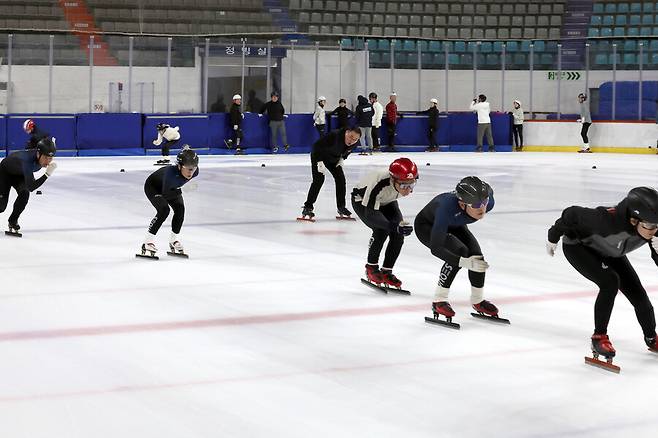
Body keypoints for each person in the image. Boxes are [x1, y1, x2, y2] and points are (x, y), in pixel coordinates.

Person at [546, 187, 658, 361]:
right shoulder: (605, 222)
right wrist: (553, 236)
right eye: (650, 225)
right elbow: (571, 214)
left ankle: (651, 338)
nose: (654, 230)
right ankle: (599, 337)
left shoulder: (652, 227)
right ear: (633, 220)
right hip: (579, 247)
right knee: (610, 282)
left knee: (638, 293)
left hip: (610, 251)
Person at [414, 176, 499, 321]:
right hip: (428, 226)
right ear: (461, 205)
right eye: (477, 205)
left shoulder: (488, 201)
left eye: (484, 202)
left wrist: (470, 262)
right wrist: (463, 262)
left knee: (477, 256)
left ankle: (477, 300)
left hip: (455, 223)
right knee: (459, 252)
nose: (483, 208)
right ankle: (439, 300)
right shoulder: (445, 209)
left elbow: (485, 196)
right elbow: (436, 248)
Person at [352, 158, 418, 289]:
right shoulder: (379, 184)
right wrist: (392, 226)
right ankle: (371, 267)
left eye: (412, 185)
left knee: (399, 234)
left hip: (387, 201)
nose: (408, 190)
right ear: (393, 180)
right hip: (363, 201)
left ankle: (387, 271)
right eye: (404, 186)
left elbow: (404, 185)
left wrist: (396, 227)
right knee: (381, 230)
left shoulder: (406, 179)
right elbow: (370, 215)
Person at [140, 146, 199, 258]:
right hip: (154, 187)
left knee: (180, 210)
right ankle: (147, 242)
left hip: (172, 187)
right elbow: (166, 194)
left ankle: (173, 240)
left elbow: (174, 190)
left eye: (194, 168)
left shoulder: (195, 172)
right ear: (179, 166)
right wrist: (183, 189)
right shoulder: (170, 174)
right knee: (164, 210)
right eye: (188, 168)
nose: (191, 172)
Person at [301, 127, 361, 220]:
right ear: (347, 132)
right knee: (319, 180)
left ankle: (341, 207)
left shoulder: (354, 143)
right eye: (350, 137)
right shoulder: (334, 136)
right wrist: (319, 162)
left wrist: (342, 158)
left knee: (341, 179)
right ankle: (308, 207)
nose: (352, 140)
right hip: (318, 156)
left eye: (355, 139)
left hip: (333, 159)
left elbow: (347, 151)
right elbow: (316, 146)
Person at [0, 137, 57, 234]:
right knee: (1, 207)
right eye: (46, 158)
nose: (48, 161)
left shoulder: (40, 157)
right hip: (5, 172)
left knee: (24, 193)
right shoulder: (27, 161)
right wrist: (47, 174)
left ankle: (13, 220)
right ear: (38, 154)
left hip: (20, 174)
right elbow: (32, 186)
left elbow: (28, 188)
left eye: (50, 158)